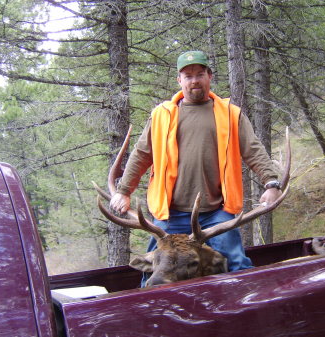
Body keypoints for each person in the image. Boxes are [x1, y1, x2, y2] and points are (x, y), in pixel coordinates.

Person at [110, 50, 282, 286]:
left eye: (199, 74)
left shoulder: (231, 114)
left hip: (216, 211)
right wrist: (124, 190)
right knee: (152, 272)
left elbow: (253, 150)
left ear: (209, 76)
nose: (194, 80)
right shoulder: (161, 115)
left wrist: (271, 183)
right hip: (170, 214)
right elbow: (142, 154)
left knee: (237, 264)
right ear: (179, 80)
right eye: (188, 75)